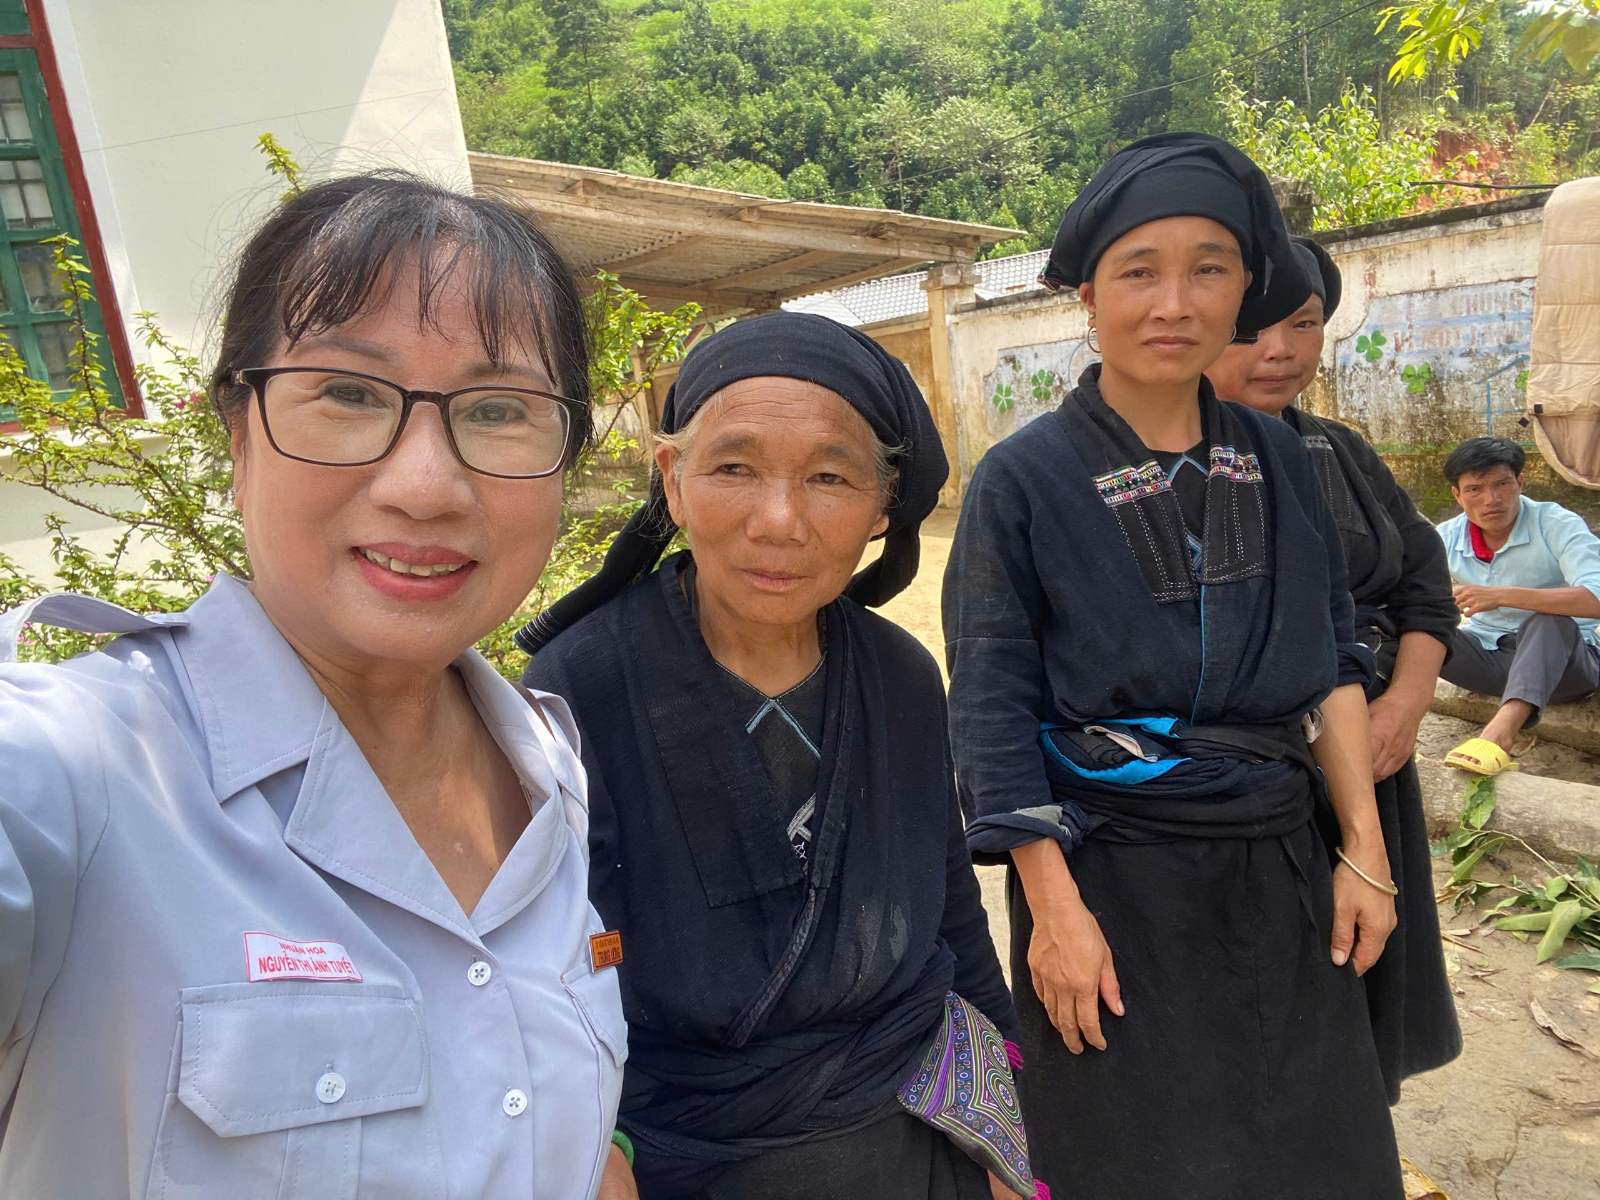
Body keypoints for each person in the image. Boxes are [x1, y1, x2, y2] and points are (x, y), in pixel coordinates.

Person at [0, 174, 628, 1199]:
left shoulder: (545, 760)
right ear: (237, 434)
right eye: (348, 393)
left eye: (498, 410)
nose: (425, 485)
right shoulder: (79, 768)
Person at [943, 133, 1404, 1199]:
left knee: (1309, 1150)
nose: (1174, 302)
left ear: (1243, 290)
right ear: (1087, 296)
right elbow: (992, 702)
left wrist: (1364, 853)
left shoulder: (1281, 455)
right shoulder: (1022, 478)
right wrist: (1052, 910)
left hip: (1279, 860)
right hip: (1110, 877)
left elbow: (1331, 658)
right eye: (1138, 271)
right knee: (1134, 1157)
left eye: (1208, 269)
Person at [522, 312, 1035, 1200]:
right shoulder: (581, 684)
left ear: (882, 505)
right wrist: (596, 1152)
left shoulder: (901, 676)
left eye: (829, 477)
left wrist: (1006, 1139)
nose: (779, 521)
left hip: (909, 1138)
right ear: (672, 482)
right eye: (733, 468)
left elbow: (954, 918)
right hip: (678, 1156)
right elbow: (550, 971)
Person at [1207, 235, 1462, 1102]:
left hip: (1374, 761)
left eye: (1305, 324)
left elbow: (1425, 586)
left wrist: (1405, 707)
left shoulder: (1339, 451)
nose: (1280, 351)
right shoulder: (1160, 471)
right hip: (1261, 782)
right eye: (1250, 330)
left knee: (1367, 972)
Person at [1434, 436, 1600, 774]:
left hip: (1564, 668)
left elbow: (1596, 597)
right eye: (1475, 489)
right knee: (1411, 625)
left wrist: (1502, 595)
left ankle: (1499, 736)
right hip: (1490, 662)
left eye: (1502, 484)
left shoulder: (1555, 523)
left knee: (1548, 620)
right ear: (1457, 495)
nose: (1491, 500)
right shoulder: (1446, 536)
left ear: (1520, 482)